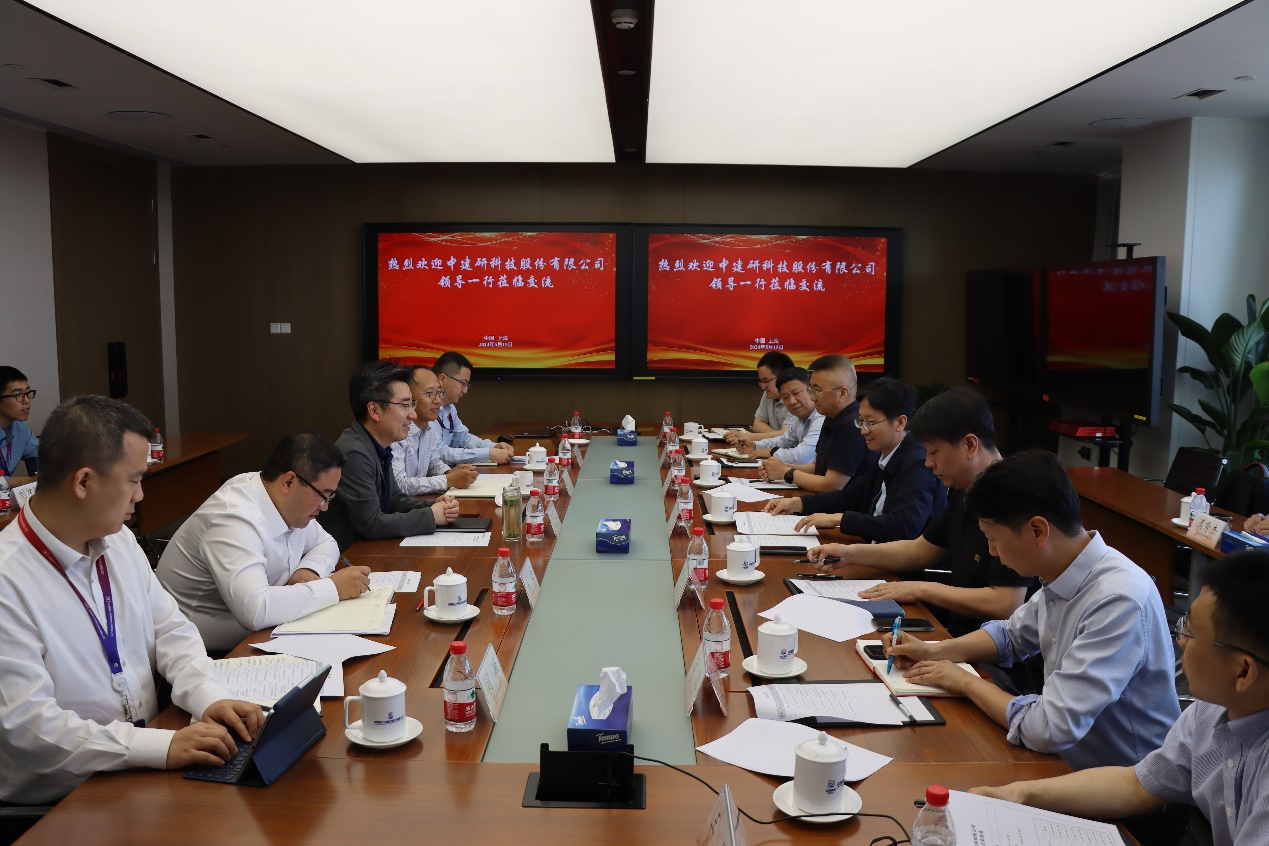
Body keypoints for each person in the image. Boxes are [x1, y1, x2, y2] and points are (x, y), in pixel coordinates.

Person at [0, 396, 262, 804]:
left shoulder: (118, 540)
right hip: (66, 799)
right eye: (134, 480)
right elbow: (29, 726)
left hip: (143, 765)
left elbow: (171, 629)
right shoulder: (8, 577)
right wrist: (158, 746)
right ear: (83, 482)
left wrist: (208, 695)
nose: (140, 495)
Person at [886, 450, 1178, 770]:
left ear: (1038, 530)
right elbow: (1010, 637)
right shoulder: (1066, 571)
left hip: (1123, 779)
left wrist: (963, 681)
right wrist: (933, 651)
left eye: (993, 538)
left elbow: (1049, 727)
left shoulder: (1116, 600)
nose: (991, 551)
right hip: (1063, 759)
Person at [971, 549, 1269, 846]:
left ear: (1243, 672)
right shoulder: (1208, 712)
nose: (1180, 642)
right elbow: (1137, 785)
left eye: (1191, 633)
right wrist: (1020, 794)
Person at [807, 387, 1032, 636]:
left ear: (969, 445)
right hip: (955, 632)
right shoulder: (967, 490)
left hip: (987, 644)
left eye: (934, 452)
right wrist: (849, 554)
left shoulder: (1012, 497)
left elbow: (1006, 603)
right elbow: (919, 550)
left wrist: (920, 589)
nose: (928, 463)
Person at [157, 430, 373, 653]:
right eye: (323, 495)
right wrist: (333, 588)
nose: (325, 507)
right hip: (201, 650)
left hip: (261, 630)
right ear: (289, 481)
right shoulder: (233, 518)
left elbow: (326, 543)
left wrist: (309, 569)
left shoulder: (283, 500)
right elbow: (255, 609)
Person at [765, 377, 946, 543]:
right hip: (874, 549)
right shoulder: (886, 453)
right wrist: (798, 504)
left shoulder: (918, 462)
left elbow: (904, 525)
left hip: (901, 563)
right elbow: (850, 496)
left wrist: (839, 519)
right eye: (860, 422)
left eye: (871, 422)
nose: (863, 430)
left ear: (900, 422)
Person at [319, 361, 460, 551]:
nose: (412, 414)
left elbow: (394, 499)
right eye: (405, 405)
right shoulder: (354, 452)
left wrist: (433, 505)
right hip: (349, 556)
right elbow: (371, 524)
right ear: (374, 410)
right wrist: (430, 516)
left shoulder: (378, 444)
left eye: (412, 405)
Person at [760, 354, 868, 494]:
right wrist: (778, 468)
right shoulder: (830, 417)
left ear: (842, 393)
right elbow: (816, 468)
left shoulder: (852, 424)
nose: (812, 397)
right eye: (811, 390)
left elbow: (831, 486)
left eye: (817, 391)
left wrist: (785, 472)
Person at [392, 365, 479, 495]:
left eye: (439, 393)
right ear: (408, 397)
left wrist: (449, 472)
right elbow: (400, 485)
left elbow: (433, 463)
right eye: (429, 393)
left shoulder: (430, 427)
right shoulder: (396, 432)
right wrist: (448, 480)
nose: (438, 400)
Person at [433, 351, 514, 466]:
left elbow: (464, 439)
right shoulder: (424, 408)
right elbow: (439, 453)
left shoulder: (450, 408)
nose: (465, 391)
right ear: (442, 379)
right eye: (463, 383)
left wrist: (493, 446)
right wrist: (488, 454)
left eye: (467, 385)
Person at [736, 367, 823, 465]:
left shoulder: (821, 417)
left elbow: (802, 457)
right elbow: (785, 441)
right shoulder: (801, 418)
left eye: (796, 393)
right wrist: (755, 446)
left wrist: (771, 452)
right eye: (785, 397)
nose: (792, 401)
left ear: (811, 391)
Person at [725, 351, 794, 446]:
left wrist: (746, 436)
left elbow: (788, 436)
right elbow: (757, 424)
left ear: (783, 377)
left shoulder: (795, 400)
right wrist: (778, 436)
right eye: (761, 382)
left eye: (766, 381)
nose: (763, 387)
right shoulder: (768, 394)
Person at [0, 365, 39, 477]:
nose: (26, 400)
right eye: (18, 395)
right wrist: (25, 481)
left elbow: (45, 452)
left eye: (27, 393)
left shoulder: (19, 428)